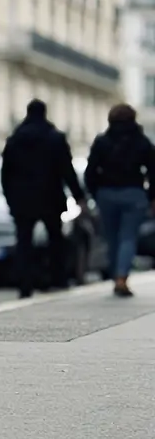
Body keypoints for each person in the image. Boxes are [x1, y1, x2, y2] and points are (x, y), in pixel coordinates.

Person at [1, 99, 86, 298]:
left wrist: (9, 198)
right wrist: (78, 195)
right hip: (50, 196)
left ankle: (24, 283)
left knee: (24, 241)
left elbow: (6, 173)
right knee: (55, 239)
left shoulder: (15, 139)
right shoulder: (55, 138)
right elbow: (67, 169)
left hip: (22, 199)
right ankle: (57, 278)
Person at [84, 103, 155, 297]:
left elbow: (91, 171)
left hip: (107, 194)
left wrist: (95, 192)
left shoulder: (102, 142)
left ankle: (116, 274)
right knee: (128, 237)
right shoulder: (142, 142)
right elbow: (153, 171)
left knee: (111, 237)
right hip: (134, 194)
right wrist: (151, 196)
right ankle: (121, 277)